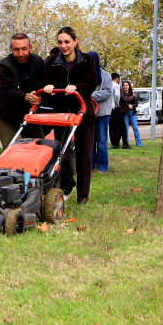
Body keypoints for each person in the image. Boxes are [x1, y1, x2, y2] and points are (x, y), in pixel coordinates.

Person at [40, 27, 97, 204]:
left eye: (67, 42)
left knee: (84, 157)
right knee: (62, 156)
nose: (63, 46)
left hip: (83, 116)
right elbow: (45, 81)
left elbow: (91, 82)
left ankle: (83, 196)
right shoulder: (52, 61)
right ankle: (67, 185)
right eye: (60, 42)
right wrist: (48, 86)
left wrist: (76, 88)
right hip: (62, 116)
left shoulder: (87, 60)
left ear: (75, 41)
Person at [0, 33, 46, 150]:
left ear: (30, 48)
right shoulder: (3, 65)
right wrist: (26, 96)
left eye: (24, 49)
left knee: (39, 148)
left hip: (30, 113)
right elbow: (7, 91)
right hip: (7, 115)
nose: (21, 54)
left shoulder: (37, 61)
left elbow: (43, 83)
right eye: (16, 50)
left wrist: (40, 96)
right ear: (11, 49)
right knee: (10, 150)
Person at [88, 52, 113, 173]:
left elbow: (108, 92)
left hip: (102, 113)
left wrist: (91, 95)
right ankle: (90, 165)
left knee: (101, 140)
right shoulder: (85, 74)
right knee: (89, 141)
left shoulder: (105, 75)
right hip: (88, 113)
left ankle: (102, 166)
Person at [120, 80, 143, 148]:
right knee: (126, 129)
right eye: (124, 85)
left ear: (129, 86)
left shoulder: (132, 93)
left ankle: (139, 143)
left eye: (127, 85)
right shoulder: (122, 94)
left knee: (135, 128)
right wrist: (127, 106)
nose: (125, 86)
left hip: (132, 112)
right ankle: (126, 143)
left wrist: (132, 106)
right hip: (125, 112)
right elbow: (122, 102)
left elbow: (136, 102)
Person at [108, 72, 127, 149]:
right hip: (115, 107)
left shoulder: (108, 85)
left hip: (109, 108)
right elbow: (116, 95)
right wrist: (117, 103)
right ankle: (125, 143)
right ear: (118, 79)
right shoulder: (116, 85)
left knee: (112, 126)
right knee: (122, 125)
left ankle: (114, 143)